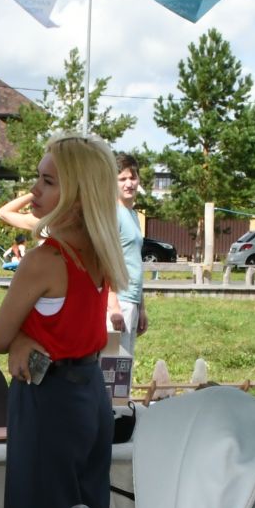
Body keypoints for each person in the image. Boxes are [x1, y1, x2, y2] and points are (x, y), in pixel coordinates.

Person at [0, 132, 127, 508]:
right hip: (91, 396)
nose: (36, 191)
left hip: (48, 399)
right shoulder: (99, 251)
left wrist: (22, 340)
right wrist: (31, 338)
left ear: (76, 194)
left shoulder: (46, 259)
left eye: (47, 182)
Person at [109, 153, 148, 357]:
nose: (129, 184)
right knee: (113, 369)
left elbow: (135, 261)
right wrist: (113, 305)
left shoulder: (133, 215)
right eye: (122, 179)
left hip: (132, 299)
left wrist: (141, 306)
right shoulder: (113, 214)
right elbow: (105, 261)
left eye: (132, 178)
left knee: (124, 369)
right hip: (119, 302)